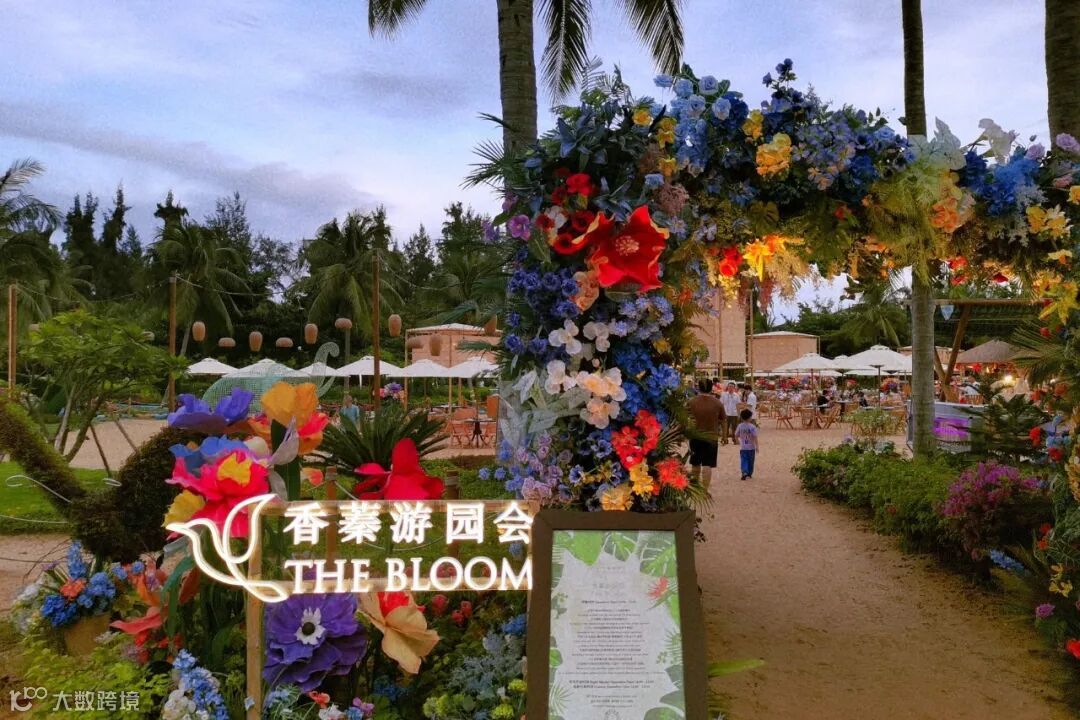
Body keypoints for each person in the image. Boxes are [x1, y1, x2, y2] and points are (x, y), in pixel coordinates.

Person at [687, 379, 725, 487]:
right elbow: (723, 420)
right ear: (711, 388)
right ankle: (705, 490)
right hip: (711, 437)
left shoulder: (691, 402)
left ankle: (695, 489)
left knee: (695, 464)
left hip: (695, 436)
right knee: (707, 465)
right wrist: (724, 436)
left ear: (699, 388)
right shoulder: (717, 403)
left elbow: (685, 418)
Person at [734, 408, 759, 481]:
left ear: (742, 417)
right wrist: (757, 446)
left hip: (743, 448)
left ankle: (744, 471)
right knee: (751, 461)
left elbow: (736, 435)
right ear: (750, 418)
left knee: (744, 460)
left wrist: (737, 441)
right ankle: (749, 473)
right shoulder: (752, 427)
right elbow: (755, 437)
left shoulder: (740, 426)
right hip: (751, 448)